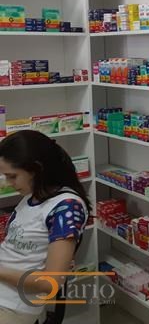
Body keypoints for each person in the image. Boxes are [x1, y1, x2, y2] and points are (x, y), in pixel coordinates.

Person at [0, 131, 90, 324]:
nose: (8, 183)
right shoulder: (30, 197)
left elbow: (50, 282)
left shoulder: (66, 207)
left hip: (13, 305)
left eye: (12, 176)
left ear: (36, 169)